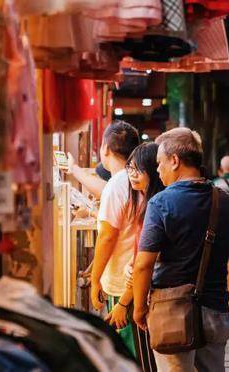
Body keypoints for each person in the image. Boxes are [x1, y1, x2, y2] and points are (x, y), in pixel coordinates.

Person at [131, 128, 229, 372]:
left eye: (160, 163)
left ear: (174, 160)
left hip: (171, 312)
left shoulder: (161, 203)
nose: (158, 170)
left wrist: (139, 306)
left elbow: (144, 264)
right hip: (216, 312)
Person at [106, 142, 164, 372]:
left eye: (138, 169)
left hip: (145, 295)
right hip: (142, 290)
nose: (132, 174)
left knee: (144, 362)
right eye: (129, 167)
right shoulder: (147, 202)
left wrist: (124, 303)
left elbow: (145, 264)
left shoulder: (155, 205)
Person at [90, 120, 140, 355]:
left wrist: (94, 279)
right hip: (138, 275)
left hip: (122, 282)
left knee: (127, 348)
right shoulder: (139, 179)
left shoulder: (116, 185)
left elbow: (107, 237)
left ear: (105, 149)